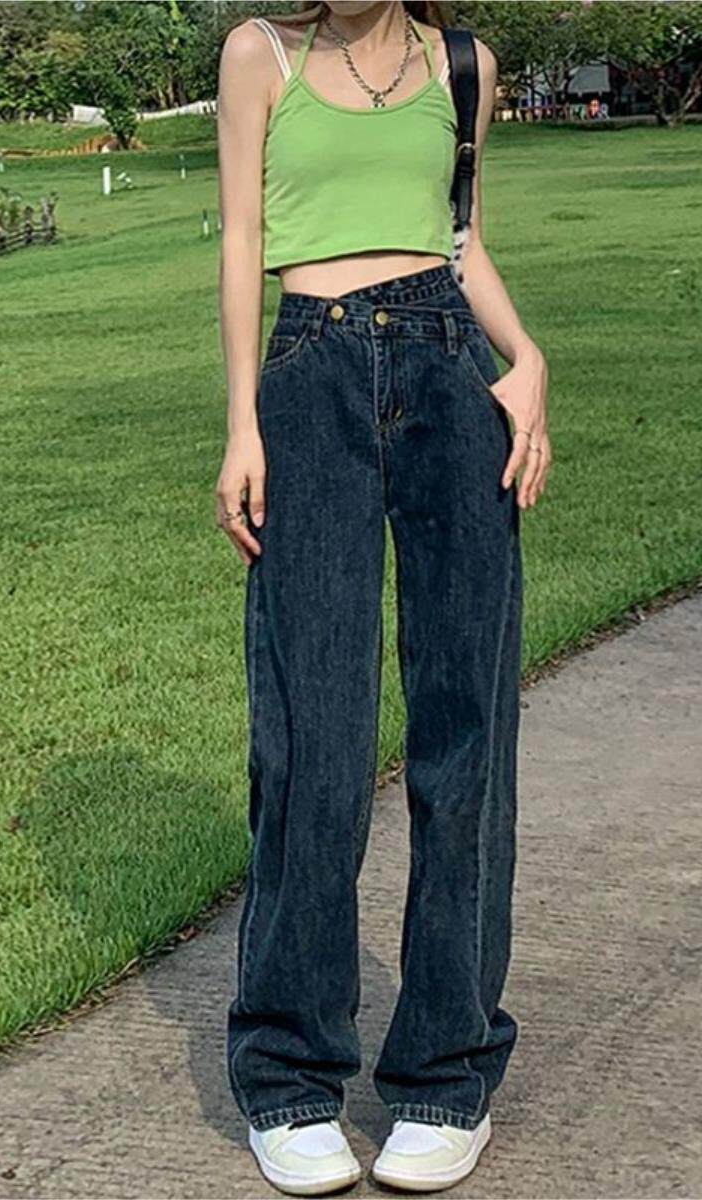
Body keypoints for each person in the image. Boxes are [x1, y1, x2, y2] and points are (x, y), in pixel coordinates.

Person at [215, 1, 550, 1193]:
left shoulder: (463, 65)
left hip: (451, 378)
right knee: (313, 735)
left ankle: (446, 1074)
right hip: (307, 384)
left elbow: (460, 239)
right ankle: (289, 1073)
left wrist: (528, 361)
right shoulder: (260, 54)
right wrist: (242, 423)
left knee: (465, 732)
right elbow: (243, 235)